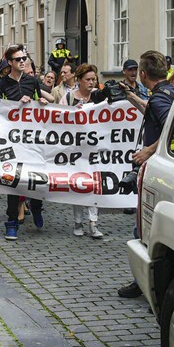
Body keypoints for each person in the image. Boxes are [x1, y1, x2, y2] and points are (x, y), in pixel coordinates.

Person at [118, 50, 174, 298]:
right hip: (168, 168)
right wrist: (131, 97)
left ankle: (143, 283)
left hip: (158, 169)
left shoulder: (160, 98)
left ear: (143, 74)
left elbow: (172, 128)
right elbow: (154, 111)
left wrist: (148, 151)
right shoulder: (168, 92)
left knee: (143, 228)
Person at [0, 45, 49, 240]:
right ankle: (11, 223)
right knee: (13, 180)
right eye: (18, 59)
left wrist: (41, 103)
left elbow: (37, 102)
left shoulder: (32, 81)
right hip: (12, 140)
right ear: (10, 62)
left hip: (31, 139)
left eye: (24, 58)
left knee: (35, 176)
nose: (22, 62)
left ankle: (36, 207)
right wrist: (17, 105)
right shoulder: (2, 84)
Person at [64, 64, 107, 238]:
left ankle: (93, 222)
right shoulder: (69, 97)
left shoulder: (99, 96)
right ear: (79, 80)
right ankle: (78, 222)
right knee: (79, 185)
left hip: (95, 149)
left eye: (93, 79)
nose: (91, 82)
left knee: (95, 185)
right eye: (88, 79)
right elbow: (59, 118)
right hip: (76, 149)